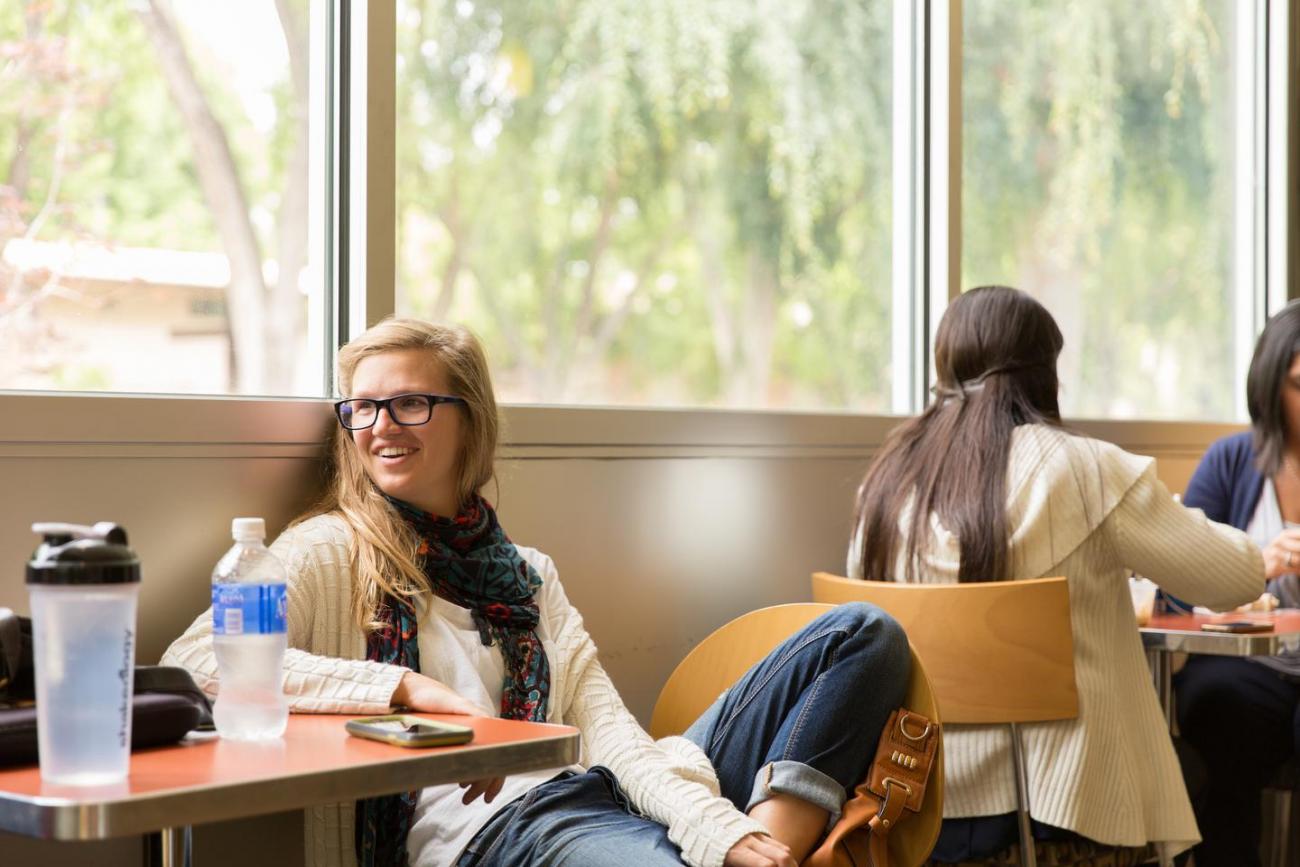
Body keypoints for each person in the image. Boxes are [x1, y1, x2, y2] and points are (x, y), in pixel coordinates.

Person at [163, 318, 912, 867]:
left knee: (862, 636)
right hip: (501, 829)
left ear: (470, 419)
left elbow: (611, 734)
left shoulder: (527, 575)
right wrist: (403, 686)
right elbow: (197, 661)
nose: (380, 426)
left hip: (595, 787)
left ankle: (765, 845)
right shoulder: (328, 550)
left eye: (409, 404)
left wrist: (716, 829)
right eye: (362, 407)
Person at [846, 286, 1264, 866]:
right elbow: (1237, 577)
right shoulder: (1086, 469)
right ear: (1044, 372)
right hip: (1063, 808)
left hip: (917, 803)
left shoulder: (887, 484)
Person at [1174, 300, 1300, 867]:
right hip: (1248, 665)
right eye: (1299, 385)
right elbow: (1176, 581)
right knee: (1218, 704)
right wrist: (1255, 562)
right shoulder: (1230, 462)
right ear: (1269, 387)